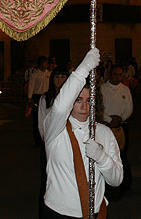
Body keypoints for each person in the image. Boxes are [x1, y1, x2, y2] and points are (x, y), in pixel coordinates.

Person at [42, 48, 122, 218]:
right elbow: (60, 108)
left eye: (89, 100)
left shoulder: (104, 132)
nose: (84, 106)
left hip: (96, 212)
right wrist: (84, 68)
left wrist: (101, 157)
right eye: (78, 100)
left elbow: (116, 179)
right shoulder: (55, 129)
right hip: (59, 212)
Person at [37, 67, 69, 219]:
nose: (60, 79)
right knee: (48, 181)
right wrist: (48, 143)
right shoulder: (45, 98)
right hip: (50, 146)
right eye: (57, 76)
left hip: (68, 146)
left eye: (63, 76)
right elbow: (41, 124)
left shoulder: (72, 97)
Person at [100, 64, 134, 196]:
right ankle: (107, 185)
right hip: (106, 126)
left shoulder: (125, 89)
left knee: (122, 156)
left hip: (121, 126)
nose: (118, 77)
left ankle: (125, 183)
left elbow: (129, 108)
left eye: (120, 74)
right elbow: (99, 107)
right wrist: (109, 119)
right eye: (115, 74)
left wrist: (120, 118)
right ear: (110, 74)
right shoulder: (102, 88)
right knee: (106, 155)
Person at [27, 56, 50, 147]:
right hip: (37, 97)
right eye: (45, 62)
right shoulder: (35, 74)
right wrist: (30, 98)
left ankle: (46, 139)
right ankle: (38, 140)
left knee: (47, 118)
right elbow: (31, 86)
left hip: (47, 96)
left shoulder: (48, 73)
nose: (46, 64)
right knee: (36, 119)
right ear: (41, 63)